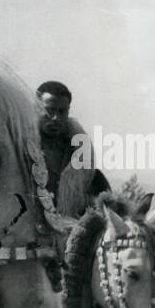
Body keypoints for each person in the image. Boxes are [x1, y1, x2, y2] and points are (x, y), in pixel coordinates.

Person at [35, 80, 109, 213]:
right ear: (36, 106)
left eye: (62, 111)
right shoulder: (22, 145)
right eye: (50, 110)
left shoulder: (79, 157)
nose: (55, 118)